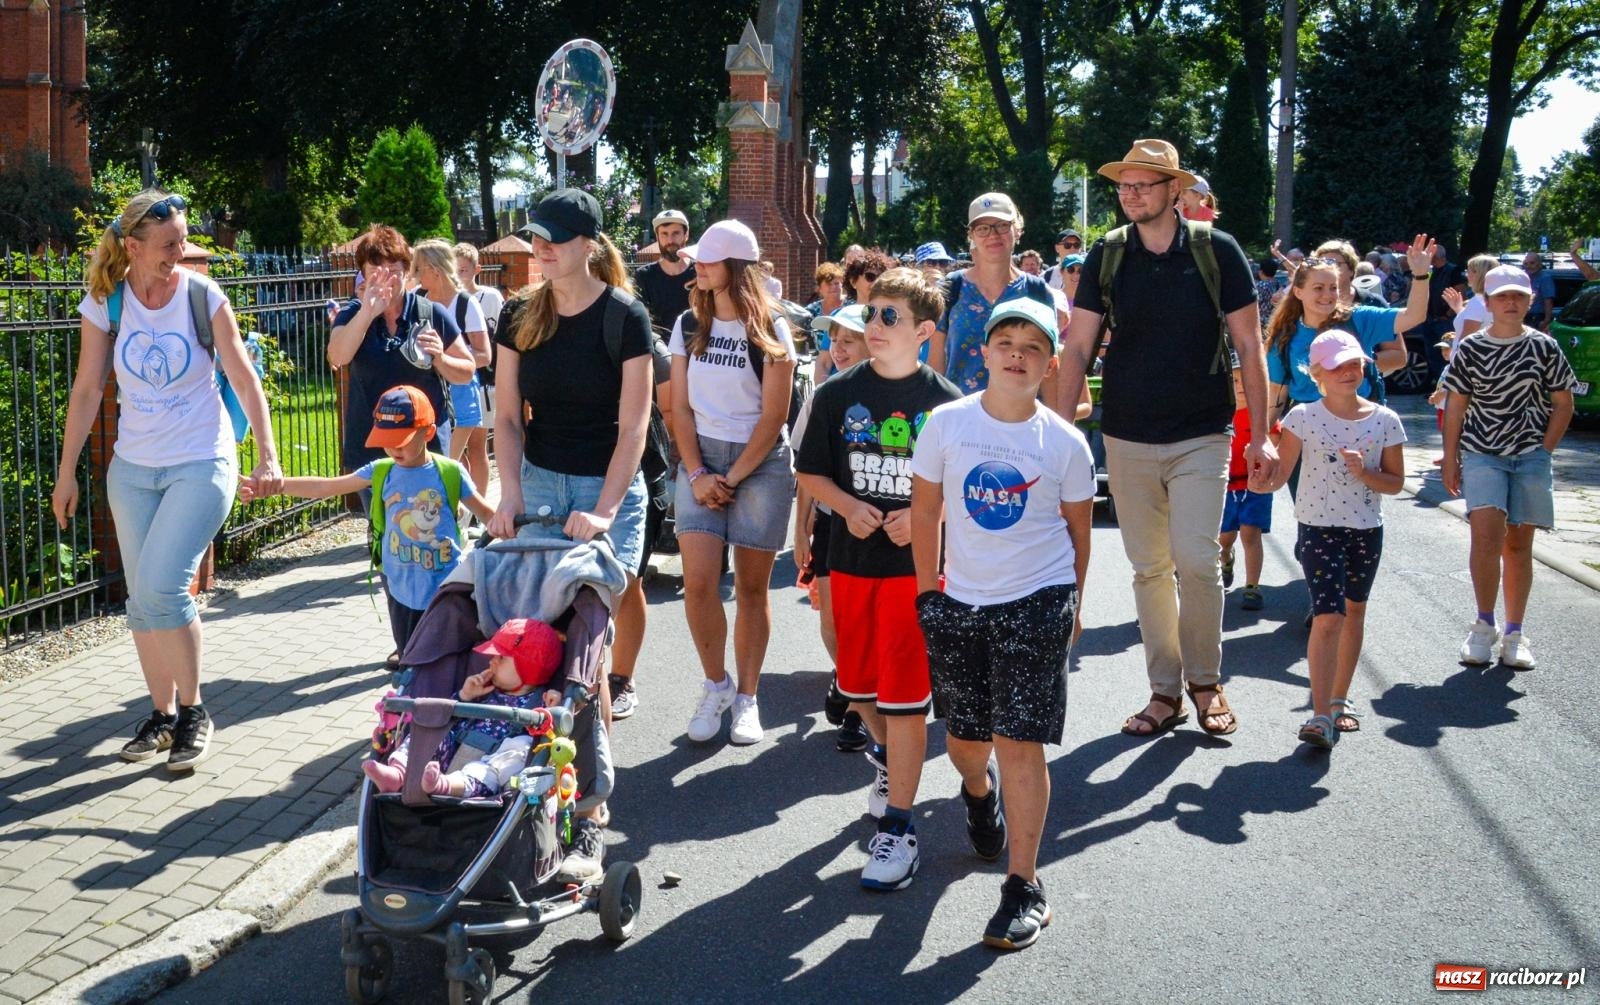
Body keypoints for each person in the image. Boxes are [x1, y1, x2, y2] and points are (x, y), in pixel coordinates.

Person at [52, 190, 283, 772]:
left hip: (201, 461)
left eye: (182, 241)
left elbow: (243, 374)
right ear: (131, 246)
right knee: (141, 600)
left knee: (164, 586)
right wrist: (66, 473)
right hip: (132, 469)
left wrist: (269, 453)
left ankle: (194, 712)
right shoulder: (107, 304)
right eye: (166, 245)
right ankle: (161, 717)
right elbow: (85, 391)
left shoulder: (203, 296)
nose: (177, 253)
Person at [1057, 138, 1277, 738]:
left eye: (1143, 184)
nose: (1130, 194)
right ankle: (1164, 693)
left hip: (1203, 432)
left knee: (1197, 560)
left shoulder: (1217, 250)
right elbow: (1077, 347)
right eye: (1124, 185)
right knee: (1149, 568)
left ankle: (1205, 682)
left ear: (1174, 190)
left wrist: (1261, 436)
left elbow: (1250, 347)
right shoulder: (1107, 254)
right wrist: (1051, 432)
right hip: (1126, 434)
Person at [910, 296, 1093, 949]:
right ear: (984, 352)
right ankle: (974, 788)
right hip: (959, 600)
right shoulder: (947, 425)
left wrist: (1074, 604)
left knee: (1019, 739)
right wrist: (928, 592)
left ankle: (1024, 884)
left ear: (1048, 363)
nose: (1018, 354)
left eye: (1033, 346)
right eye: (1006, 342)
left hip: (1036, 598)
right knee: (966, 738)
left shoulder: (1066, 444)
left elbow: (1078, 533)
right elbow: (926, 510)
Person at [489, 188, 652, 880]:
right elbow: (504, 417)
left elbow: (635, 427)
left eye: (556, 237)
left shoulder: (625, 318)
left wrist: (608, 509)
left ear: (589, 243)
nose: (542, 248)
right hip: (540, 484)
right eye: (536, 237)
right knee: (531, 642)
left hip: (602, 489)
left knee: (586, 650)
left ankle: (591, 813)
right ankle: (525, 790)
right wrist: (511, 498)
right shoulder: (519, 314)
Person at [795, 267, 963, 891]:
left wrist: (924, 520)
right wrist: (846, 504)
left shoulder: (946, 402)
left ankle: (900, 826)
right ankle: (895, 762)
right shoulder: (837, 394)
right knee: (858, 687)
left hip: (913, 574)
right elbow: (810, 472)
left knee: (905, 697)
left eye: (888, 316)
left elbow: (957, 491)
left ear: (923, 331)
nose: (873, 326)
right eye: (870, 314)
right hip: (850, 564)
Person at [241, 385, 495, 654]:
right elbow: (326, 487)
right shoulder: (380, 471)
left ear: (428, 432)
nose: (393, 447)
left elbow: (487, 514)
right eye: (386, 439)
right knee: (409, 657)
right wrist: (274, 486)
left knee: (446, 657)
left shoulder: (450, 472)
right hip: (400, 590)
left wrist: (514, 530)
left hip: (444, 587)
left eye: (402, 439)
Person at [670, 220, 797, 746]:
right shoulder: (686, 323)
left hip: (760, 464)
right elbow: (677, 407)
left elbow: (774, 417)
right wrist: (700, 474)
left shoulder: (771, 327)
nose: (695, 266)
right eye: (697, 260)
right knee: (698, 584)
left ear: (735, 269)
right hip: (700, 460)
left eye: (707, 261)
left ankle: (747, 697)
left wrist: (731, 477)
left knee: (750, 587)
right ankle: (716, 684)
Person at [1258, 331, 1406, 747]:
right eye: (1337, 365)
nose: (1348, 372)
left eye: (1354, 364)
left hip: (1366, 530)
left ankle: (1340, 700)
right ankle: (1320, 715)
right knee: (1328, 616)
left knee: (1354, 612)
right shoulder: (1302, 417)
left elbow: (1395, 484)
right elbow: (1279, 476)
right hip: (1318, 529)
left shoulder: (1384, 420)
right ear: (1317, 373)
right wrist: (1257, 481)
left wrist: (1365, 474)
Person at [1442, 265, 1577, 671]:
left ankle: (1516, 632)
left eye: (1518, 295)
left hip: (1529, 456)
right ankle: (1483, 625)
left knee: (1519, 545)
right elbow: (1456, 406)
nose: (1511, 302)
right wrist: (1451, 457)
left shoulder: (1544, 346)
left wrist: (1544, 449)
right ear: (1487, 302)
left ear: (1530, 301)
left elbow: (1563, 402)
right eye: (1502, 296)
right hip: (1482, 454)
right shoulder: (1470, 348)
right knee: (1485, 535)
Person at [330, 225, 475, 491]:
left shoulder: (430, 313)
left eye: (394, 272)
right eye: (375, 272)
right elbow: (338, 356)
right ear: (362, 275)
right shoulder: (352, 314)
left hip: (426, 447)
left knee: (432, 525)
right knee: (383, 528)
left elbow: (466, 371)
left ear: (407, 273)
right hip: (373, 445)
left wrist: (440, 358)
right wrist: (367, 313)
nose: (386, 280)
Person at [362, 617, 565, 797]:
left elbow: (552, 726)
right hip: (449, 753)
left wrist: (554, 705)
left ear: (529, 667)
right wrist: (464, 696)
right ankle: (399, 772)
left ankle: (444, 786)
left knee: (518, 750)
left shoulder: (541, 701)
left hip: (485, 768)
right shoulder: (484, 690)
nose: (492, 661)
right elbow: (451, 718)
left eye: (501, 658)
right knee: (428, 726)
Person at [796, 305, 872, 753]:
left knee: (872, 623)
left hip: (883, 526)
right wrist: (799, 527)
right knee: (834, 620)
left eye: (849, 339)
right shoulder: (822, 394)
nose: (838, 349)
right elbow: (806, 468)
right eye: (833, 339)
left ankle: (861, 699)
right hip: (830, 522)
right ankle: (851, 686)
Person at [929, 192, 1058, 395]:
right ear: (971, 235)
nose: (993, 235)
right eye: (982, 228)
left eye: (1002, 225)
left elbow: (1050, 368)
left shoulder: (1037, 292)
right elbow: (936, 367)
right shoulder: (950, 288)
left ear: (1017, 230)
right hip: (960, 417)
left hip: (1020, 419)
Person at [411, 240, 491, 509]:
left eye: (419, 268)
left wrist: (447, 362)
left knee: (449, 460)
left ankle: (473, 512)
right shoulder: (417, 301)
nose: (415, 275)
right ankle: (451, 510)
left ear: (435, 270)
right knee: (436, 461)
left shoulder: (466, 304)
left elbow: (484, 355)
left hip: (460, 390)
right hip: (427, 391)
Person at [1221, 359, 1277, 611]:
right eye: (1233, 380)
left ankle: (1252, 586)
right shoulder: (1220, 416)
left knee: (1250, 533)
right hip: (1225, 486)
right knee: (1224, 537)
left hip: (1255, 485)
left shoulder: (1260, 418)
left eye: (1245, 379)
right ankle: (1225, 557)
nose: (1240, 386)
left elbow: (1275, 439)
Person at [454, 241, 506, 481]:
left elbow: (500, 339)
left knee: (476, 445)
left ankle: (479, 509)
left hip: (484, 381)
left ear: (477, 270)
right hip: (454, 382)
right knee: (454, 449)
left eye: (463, 270)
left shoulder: (490, 297)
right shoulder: (447, 298)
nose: (458, 275)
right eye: (454, 270)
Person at [635, 209, 697, 336]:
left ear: (686, 235)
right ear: (657, 237)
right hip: (660, 350)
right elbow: (641, 323)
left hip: (697, 349)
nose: (670, 241)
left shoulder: (700, 272)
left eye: (676, 233)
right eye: (664, 234)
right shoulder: (644, 276)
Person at [808, 262, 849, 383]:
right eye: (828, 284)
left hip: (845, 362)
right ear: (819, 288)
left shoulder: (850, 306)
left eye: (837, 283)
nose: (834, 287)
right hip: (822, 362)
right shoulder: (812, 310)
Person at [1522, 252, 1556, 331]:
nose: (1528, 266)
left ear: (1539, 264)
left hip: (1537, 318)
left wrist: (1546, 321)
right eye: (1526, 263)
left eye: (1532, 263)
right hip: (1523, 317)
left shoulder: (1545, 278)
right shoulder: (1523, 277)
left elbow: (1548, 301)